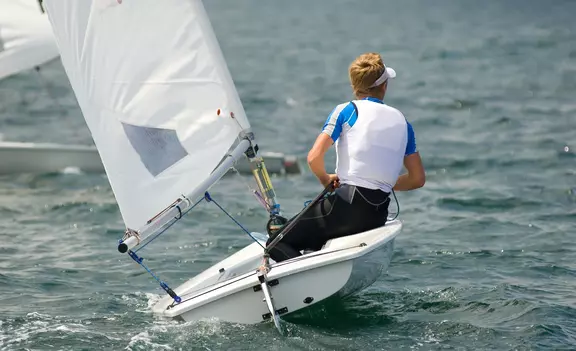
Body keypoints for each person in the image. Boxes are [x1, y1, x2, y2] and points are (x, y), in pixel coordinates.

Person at [266, 52, 425, 262]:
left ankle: (310, 282)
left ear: (354, 86)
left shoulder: (345, 110)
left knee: (276, 243)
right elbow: (417, 179)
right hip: (377, 215)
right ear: (384, 86)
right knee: (315, 233)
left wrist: (325, 179)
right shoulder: (404, 123)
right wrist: (379, 181)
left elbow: (314, 158)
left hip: (345, 208)